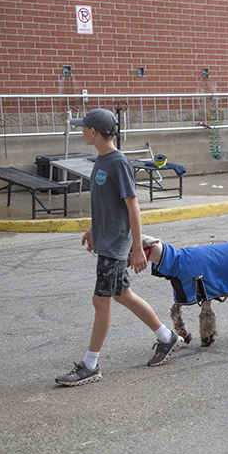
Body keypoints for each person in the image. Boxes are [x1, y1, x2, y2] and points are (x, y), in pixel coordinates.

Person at [55, 109, 183, 386]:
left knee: (101, 300)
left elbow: (132, 205)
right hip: (106, 239)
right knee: (122, 294)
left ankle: (90, 365)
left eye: (83, 127)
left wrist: (137, 248)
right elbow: (107, 203)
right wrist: (94, 229)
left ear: (93, 132)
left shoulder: (117, 162)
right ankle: (166, 336)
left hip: (116, 246)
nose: (81, 131)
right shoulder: (101, 160)